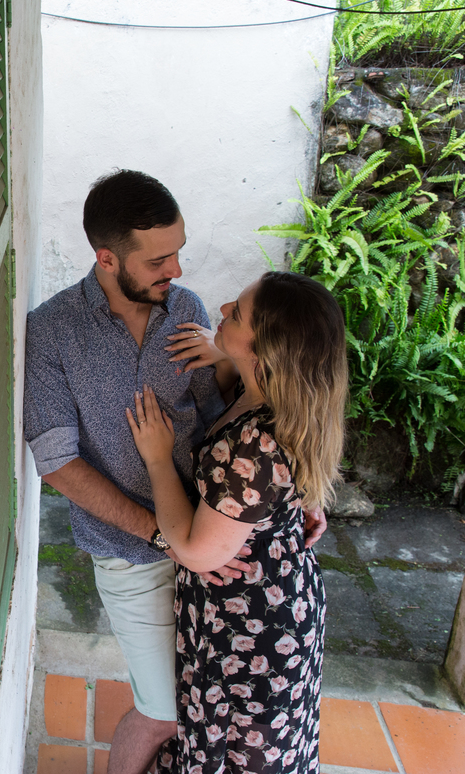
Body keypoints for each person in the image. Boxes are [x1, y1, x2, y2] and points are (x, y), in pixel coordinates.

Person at [24, 170, 255, 774]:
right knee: (164, 710)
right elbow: (58, 465)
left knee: (208, 704)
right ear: (106, 258)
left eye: (177, 251)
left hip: (209, 540)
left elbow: (221, 420)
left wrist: (227, 362)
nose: (175, 270)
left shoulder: (188, 311)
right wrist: (160, 535)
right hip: (134, 555)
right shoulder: (51, 332)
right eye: (158, 260)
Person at [126, 271, 346, 774]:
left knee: (238, 756)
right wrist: (226, 350)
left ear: (265, 355)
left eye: (237, 315)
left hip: (250, 628)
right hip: (275, 602)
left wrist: (158, 459)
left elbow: (198, 551)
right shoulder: (291, 399)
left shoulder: (257, 441)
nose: (223, 307)